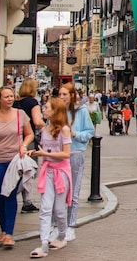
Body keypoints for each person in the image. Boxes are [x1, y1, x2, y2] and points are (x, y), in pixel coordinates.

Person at [0, 86, 35, 250]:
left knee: (9, 194)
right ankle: (3, 230)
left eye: (11, 96)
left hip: (14, 162)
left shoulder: (20, 114)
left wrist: (24, 145)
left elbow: (30, 134)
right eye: (6, 96)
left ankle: (9, 233)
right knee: (0, 196)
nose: (10, 99)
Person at [28, 98, 71, 258]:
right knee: (45, 208)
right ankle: (44, 243)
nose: (43, 110)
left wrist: (44, 154)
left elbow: (66, 154)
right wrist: (33, 153)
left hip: (61, 173)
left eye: (46, 107)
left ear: (55, 111)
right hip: (48, 172)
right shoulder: (45, 130)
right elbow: (44, 150)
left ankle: (62, 235)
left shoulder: (64, 130)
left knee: (59, 210)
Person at [58, 83, 94, 242]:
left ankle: (70, 226)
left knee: (73, 192)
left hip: (75, 153)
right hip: (58, 155)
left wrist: (75, 134)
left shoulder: (81, 111)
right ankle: (57, 225)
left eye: (64, 94)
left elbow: (90, 131)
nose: (61, 97)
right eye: (60, 94)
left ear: (72, 95)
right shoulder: (56, 110)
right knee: (57, 192)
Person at [16, 78, 45, 214]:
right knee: (29, 170)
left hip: (15, 139)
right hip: (28, 139)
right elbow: (37, 121)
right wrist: (50, 129)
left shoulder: (15, 103)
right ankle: (26, 200)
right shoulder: (33, 102)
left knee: (18, 169)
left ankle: (25, 200)